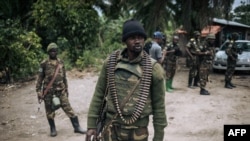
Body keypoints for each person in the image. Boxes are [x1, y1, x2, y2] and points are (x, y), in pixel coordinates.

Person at [85, 19, 167, 141]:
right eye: (132, 38)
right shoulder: (111, 62)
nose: (137, 41)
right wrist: (92, 124)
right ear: (125, 41)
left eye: (140, 37)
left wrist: (158, 136)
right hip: (111, 127)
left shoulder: (153, 68)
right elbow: (99, 94)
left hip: (137, 130)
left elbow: (159, 106)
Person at [35, 43, 86, 137]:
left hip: (61, 91)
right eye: (51, 51)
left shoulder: (61, 62)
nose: (53, 52)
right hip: (48, 92)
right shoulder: (44, 63)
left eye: (54, 50)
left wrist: (66, 89)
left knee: (69, 109)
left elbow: (64, 77)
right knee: (49, 112)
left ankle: (77, 127)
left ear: (57, 51)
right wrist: (38, 91)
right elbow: (40, 78)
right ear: (48, 52)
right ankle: (53, 129)